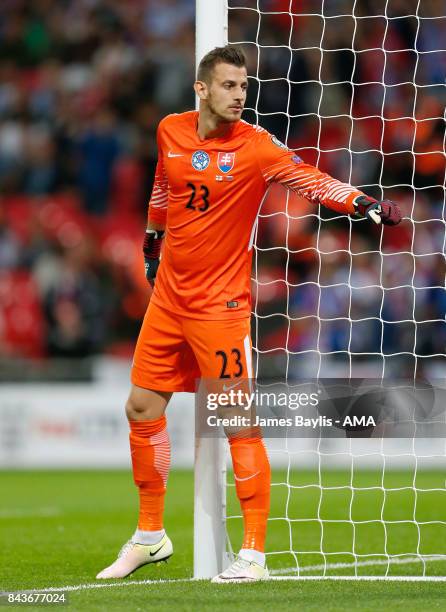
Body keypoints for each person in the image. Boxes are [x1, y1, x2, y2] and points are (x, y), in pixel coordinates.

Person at [96, 45, 401, 583]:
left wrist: (360, 202)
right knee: (141, 408)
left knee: (235, 422)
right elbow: (164, 186)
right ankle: (150, 536)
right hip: (168, 299)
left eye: (244, 87)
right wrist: (151, 237)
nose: (240, 96)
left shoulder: (256, 147)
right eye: (230, 86)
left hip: (221, 305)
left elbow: (309, 179)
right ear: (201, 89)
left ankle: (254, 554)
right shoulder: (170, 129)